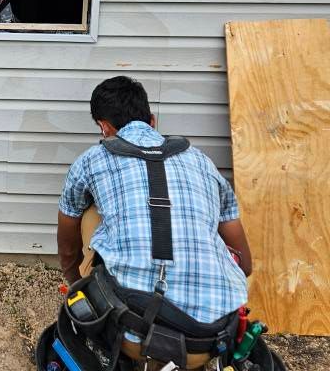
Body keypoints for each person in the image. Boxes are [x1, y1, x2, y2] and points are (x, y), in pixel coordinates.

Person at [57, 75, 251, 328]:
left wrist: (74, 281)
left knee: (91, 211)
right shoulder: (200, 160)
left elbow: (68, 233)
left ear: (103, 127)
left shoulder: (92, 159)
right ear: (152, 121)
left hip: (130, 321)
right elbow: (243, 262)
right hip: (210, 328)